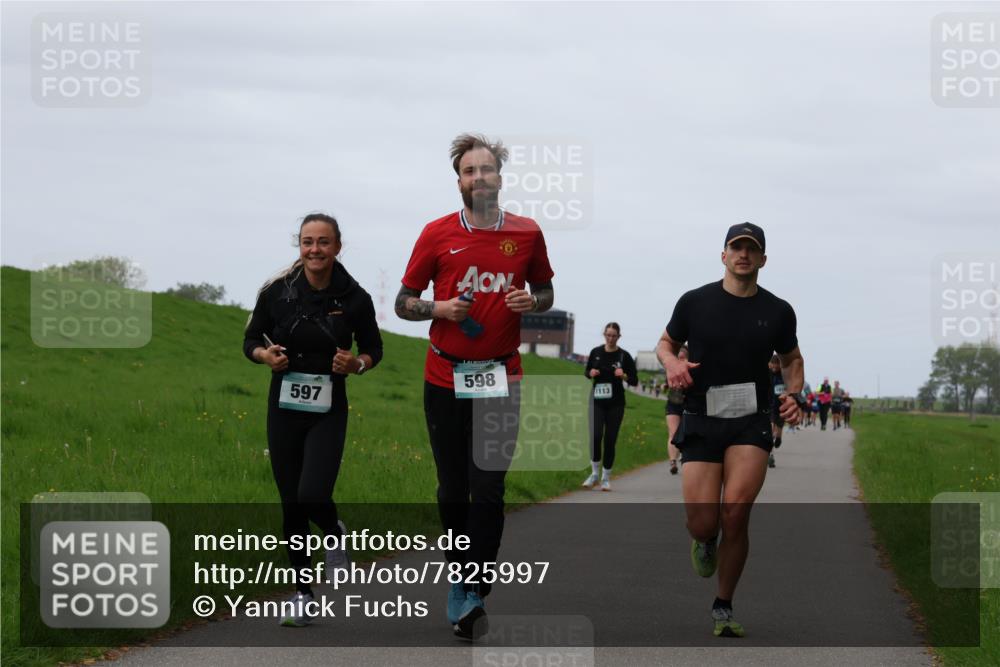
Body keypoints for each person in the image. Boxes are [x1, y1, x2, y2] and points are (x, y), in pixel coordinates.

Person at [395, 133, 555, 640]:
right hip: (444, 375)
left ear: (500, 178)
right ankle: (462, 582)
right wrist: (437, 309)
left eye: (487, 169)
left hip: (501, 376)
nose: (479, 177)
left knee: (488, 488)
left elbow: (547, 290)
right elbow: (402, 302)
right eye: (469, 171)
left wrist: (534, 302)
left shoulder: (527, 233)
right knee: (453, 488)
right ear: (459, 180)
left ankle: (474, 583)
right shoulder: (436, 234)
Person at [656, 221, 804, 638]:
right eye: (736, 248)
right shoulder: (695, 302)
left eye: (751, 249)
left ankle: (724, 605)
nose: (743, 254)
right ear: (723, 255)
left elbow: (793, 359)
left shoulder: (778, 311)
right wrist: (672, 363)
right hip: (702, 417)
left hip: (751, 421)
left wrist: (794, 394)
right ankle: (704, 541)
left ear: (762, 259)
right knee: (705, 523)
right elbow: (665, 343)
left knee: (736, 513)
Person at [243, 212, 383, 627]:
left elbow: (374, 348)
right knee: (291, 505)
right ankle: (304, 594)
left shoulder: (355, 297)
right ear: (298, 246)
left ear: (338, 247)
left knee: (312, 493)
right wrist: (264, 356)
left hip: (328, 406)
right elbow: (251, 339)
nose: (315, 250)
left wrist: (355, 363)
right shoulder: (276, 292)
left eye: (323, 242)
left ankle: (334, 532)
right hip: (283, 405)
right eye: (307, 242)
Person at [583, 322, 639, 491]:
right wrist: (590, 373)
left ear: (619, 337)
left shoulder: (624, 356)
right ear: (604, 335)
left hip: (616, 403)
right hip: (597, 402)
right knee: (595, 435)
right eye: (608, 335)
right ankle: (594, 474)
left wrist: (624, 375)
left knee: (610, 440)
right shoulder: (596, 352)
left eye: (614, 335)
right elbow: (586, 372)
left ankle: (606, 478)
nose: (611, 338)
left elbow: (635, 381)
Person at [665, 345, 690, 475]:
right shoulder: (672, 368)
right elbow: (667, 382)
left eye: (683, 358)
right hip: (673, 403)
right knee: (673, 433)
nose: (680, 361)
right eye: (678, 358)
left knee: (686, 433)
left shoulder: (693, 369)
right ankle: (673, 461)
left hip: (689, 404)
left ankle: (684, 456)